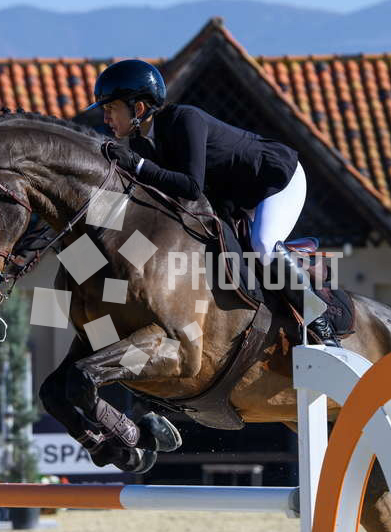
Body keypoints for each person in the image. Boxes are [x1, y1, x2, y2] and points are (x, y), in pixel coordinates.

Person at [88, 59, 337, 345]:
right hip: (234, 196)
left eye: (110, 108)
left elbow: (191, 187)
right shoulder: (141, 143)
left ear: (139, 109)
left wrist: (140, 166)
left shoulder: (185, 120)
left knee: (263, 245)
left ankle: (320, 322)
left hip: (276, 179)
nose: (105, 118)